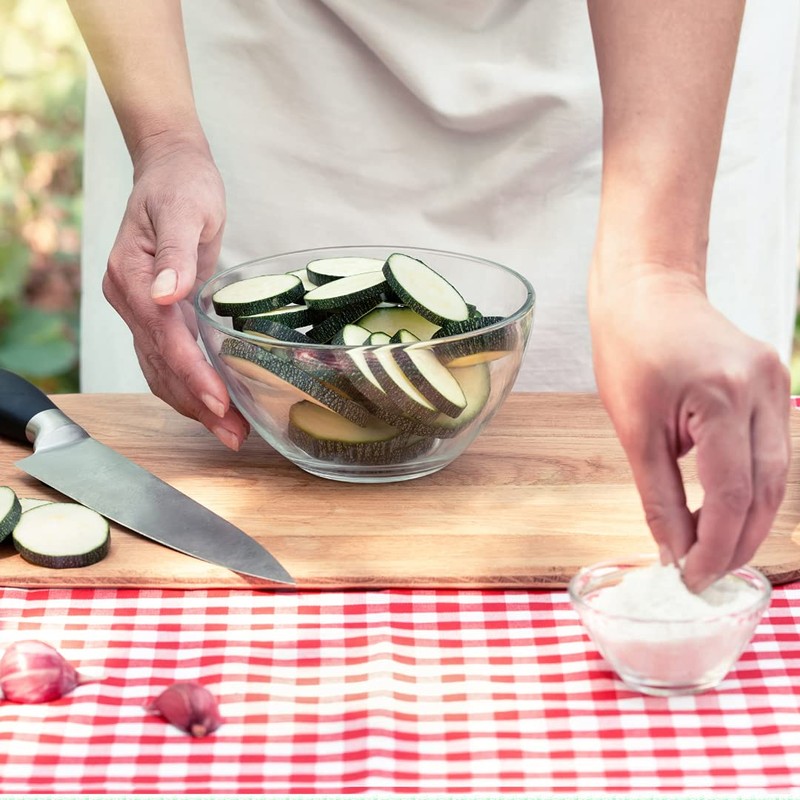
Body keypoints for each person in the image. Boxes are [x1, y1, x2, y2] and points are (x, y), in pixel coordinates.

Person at [67, 0, 799, 593]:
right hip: (241, 64)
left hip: (643, 70)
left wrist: (656, 271)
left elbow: (654, 275)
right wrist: (165, 139)